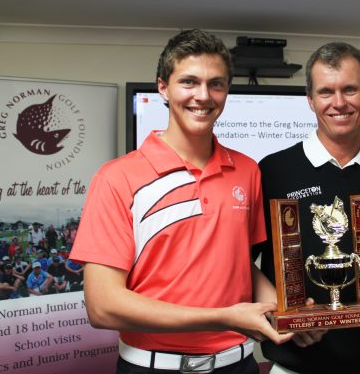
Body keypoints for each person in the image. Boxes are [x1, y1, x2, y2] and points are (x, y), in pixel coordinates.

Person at [69, 29, 292, 374]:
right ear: (163, 87)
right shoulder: (116, 178)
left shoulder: (247, 171)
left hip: (239, 365)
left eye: (216, 84)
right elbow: (102, 307)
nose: (203, 96)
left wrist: (286, 310)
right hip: (152, 367)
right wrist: (222, 318)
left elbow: (236, 265)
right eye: (189, 82)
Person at [255, 42, 360, 374]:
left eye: (350, 89)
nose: (339, 103)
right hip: (293, 365)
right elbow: (243, 264)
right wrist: (282, 314)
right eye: (326, 92)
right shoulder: (271, 170)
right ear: (310, 101)